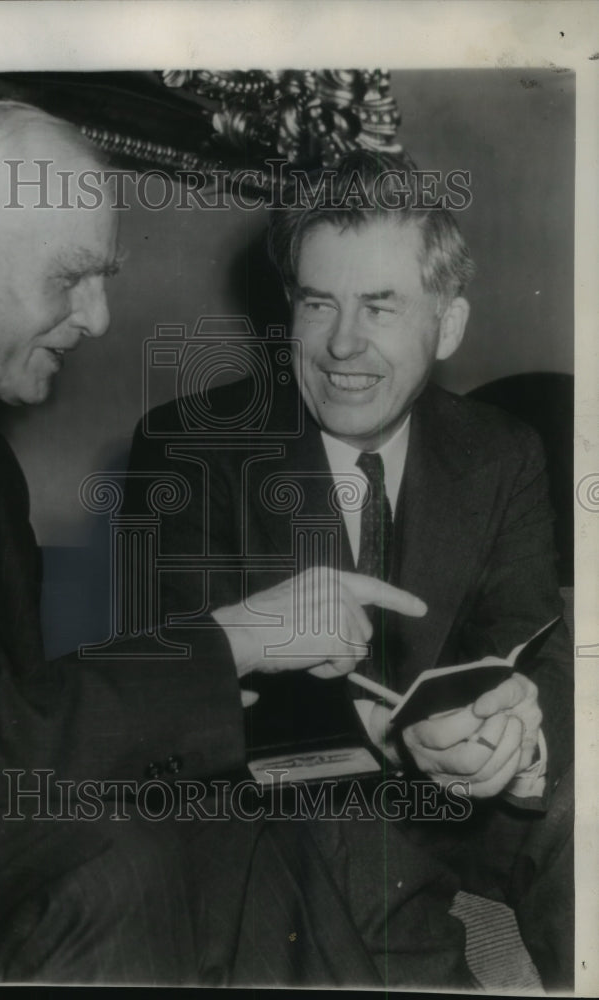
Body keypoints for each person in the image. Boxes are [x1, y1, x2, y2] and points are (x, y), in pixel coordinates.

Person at [0, 103, 429, 986]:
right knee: (123, 860)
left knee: (231, 802)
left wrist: (281, 692)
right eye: (72, 278)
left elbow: (14, 713)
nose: (101, 317)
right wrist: (236, 638)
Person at [125, 151, 574, 989]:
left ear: (447, 326)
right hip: (303, 794)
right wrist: (378, 742)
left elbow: (526, 635)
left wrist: (515, 732)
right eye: (317, 302)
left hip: (465, 797)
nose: (341, 345)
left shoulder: (502, 451)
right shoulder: (186, 450)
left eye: (379, 307)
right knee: (350, 855)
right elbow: (174, 704)